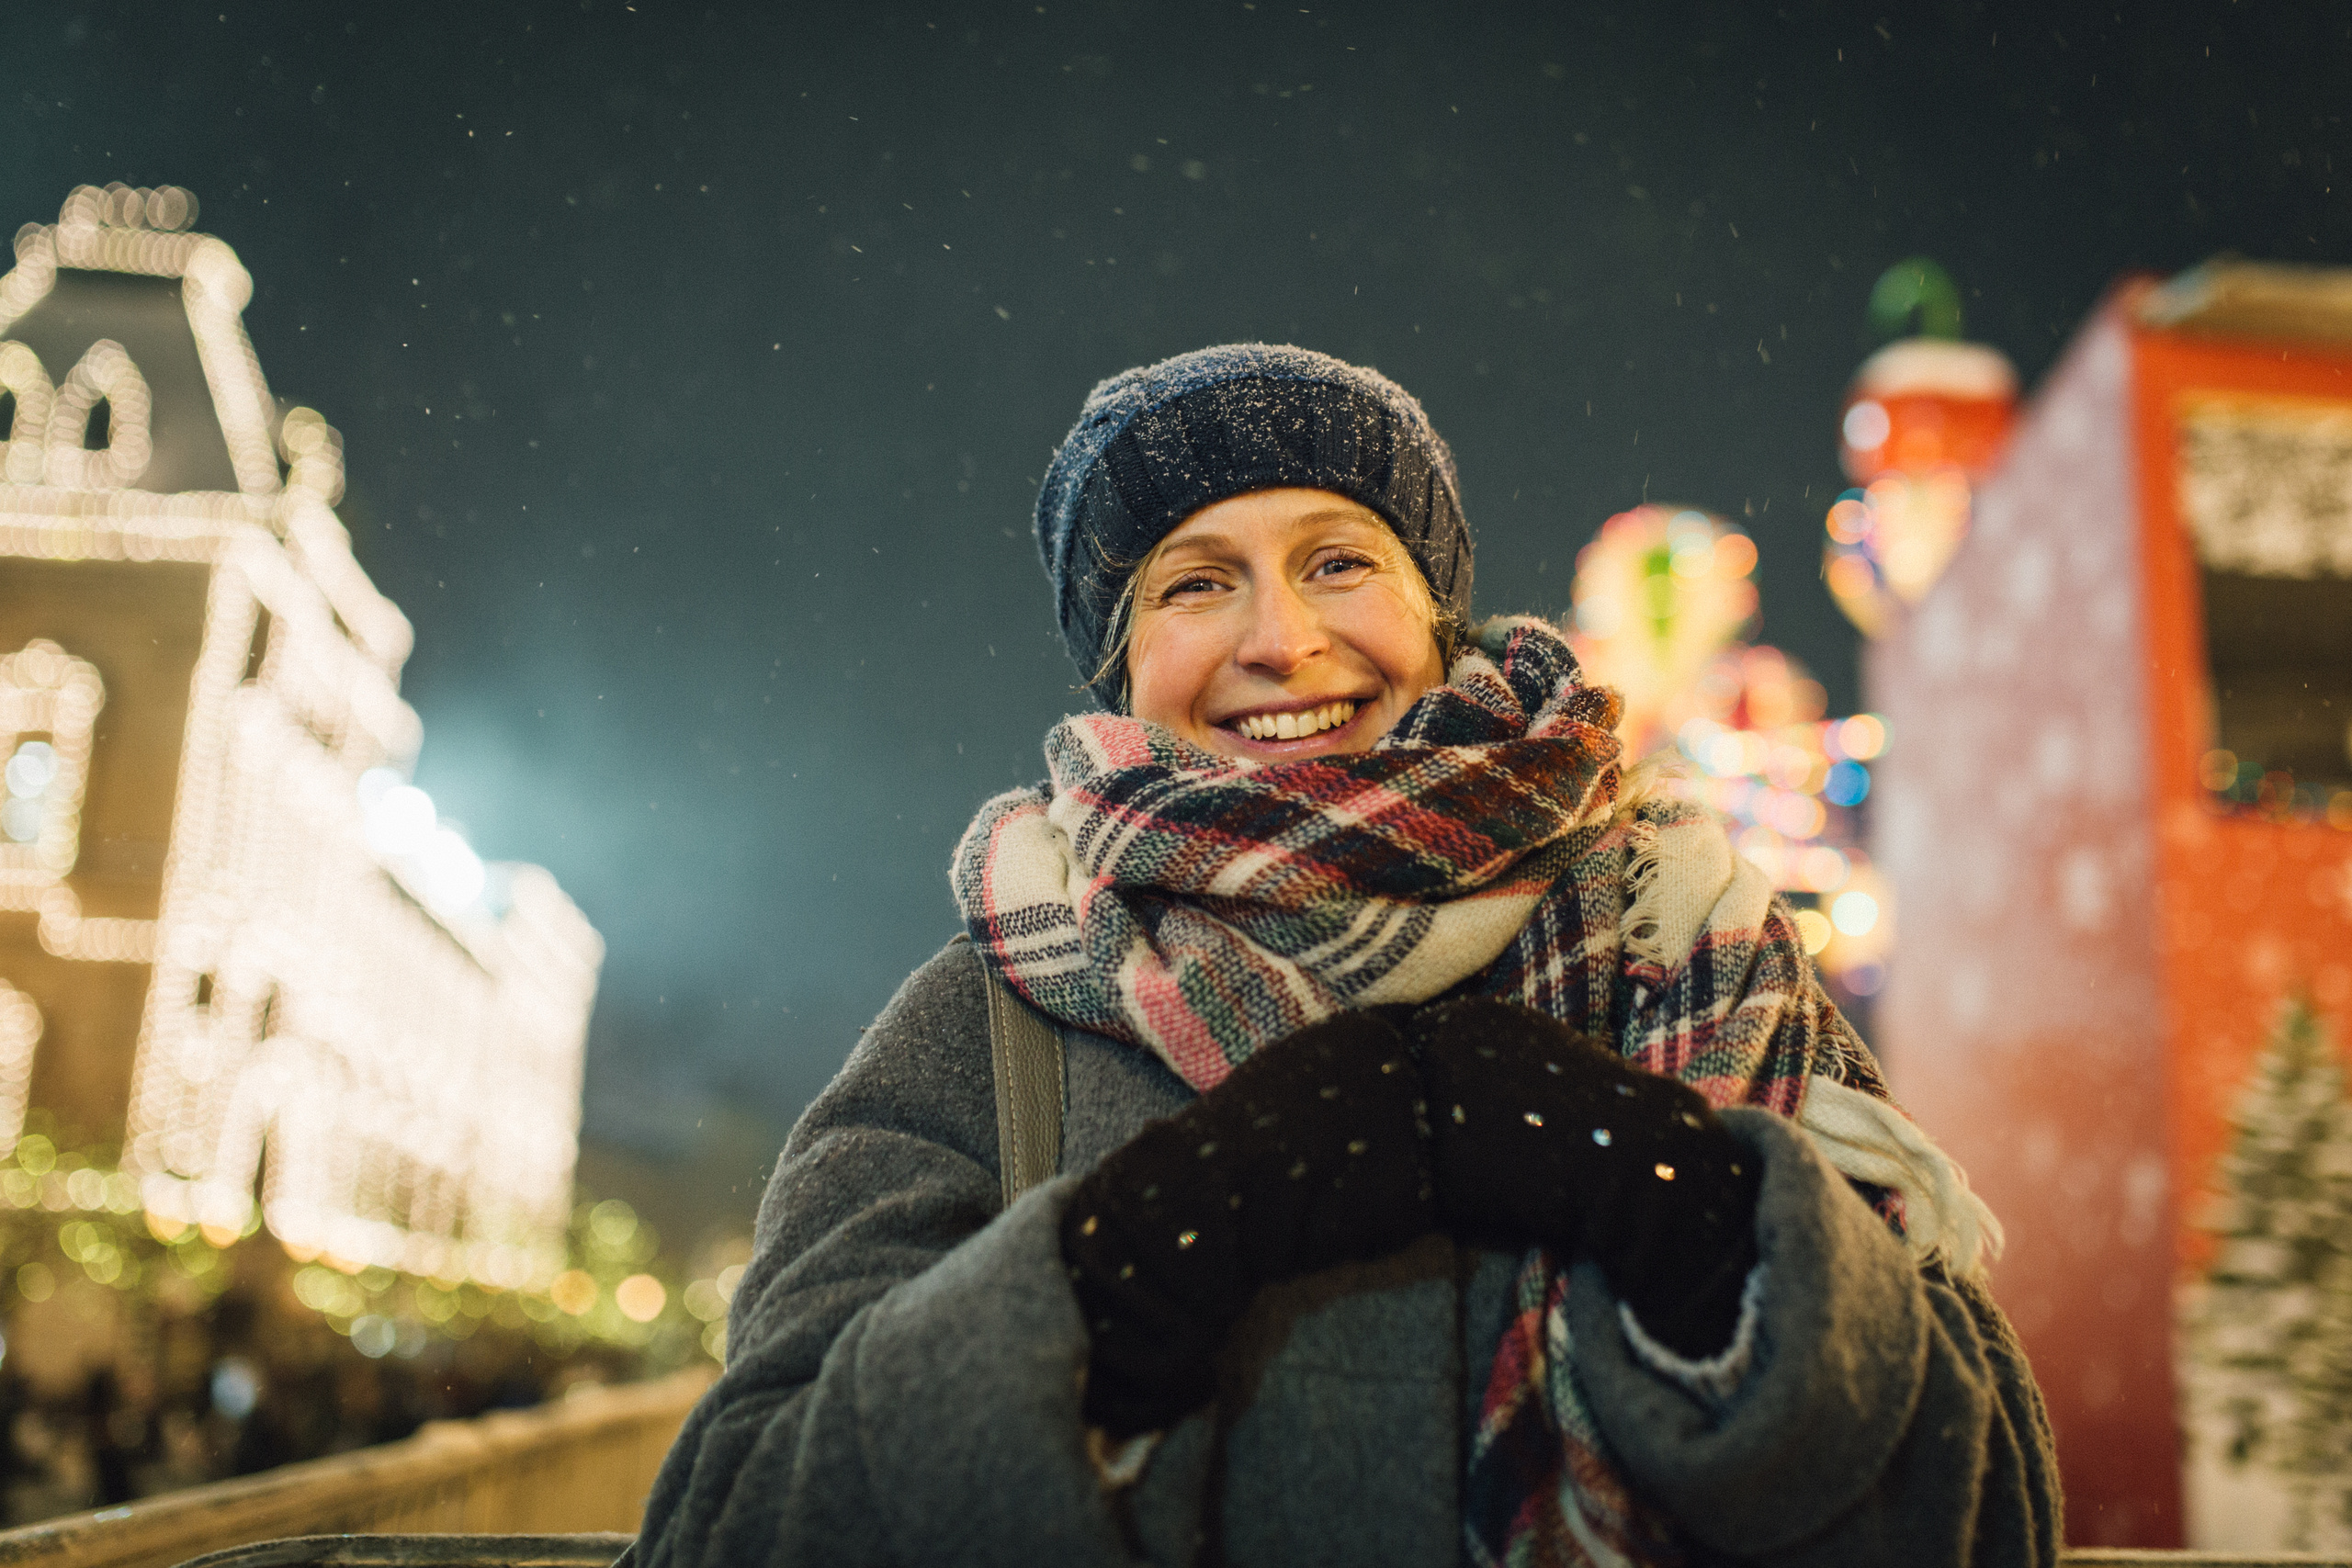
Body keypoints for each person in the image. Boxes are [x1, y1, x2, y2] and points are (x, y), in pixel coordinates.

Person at [634, 344, 2062, 1566]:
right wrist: (1154, 1241)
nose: (1285, 637)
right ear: (1121, 670)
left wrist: (1668, 1195)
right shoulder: (997, 1009)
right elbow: (739, 1516)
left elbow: (1984, 1499)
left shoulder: (1683, 938)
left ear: (1434, 618)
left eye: (1338, 561)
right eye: (1195, 584)